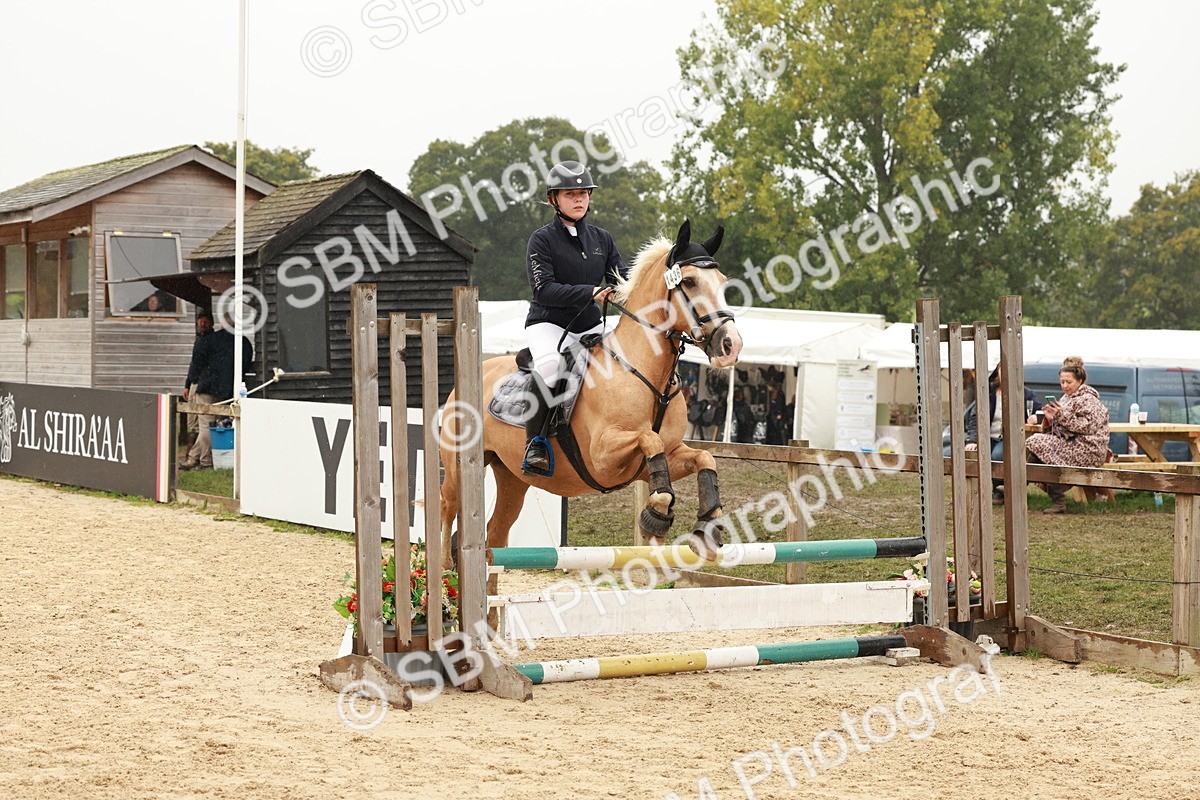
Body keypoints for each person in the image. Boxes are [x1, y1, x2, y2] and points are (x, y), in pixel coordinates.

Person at [521, 160, 628, 475]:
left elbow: (623, 279)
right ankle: (536, 443)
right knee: (553, 367)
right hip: (549, 323)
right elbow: (544, 290)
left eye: (583, 193)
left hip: (590, 325)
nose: (579, 199)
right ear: (554, 198)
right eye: (570, 194)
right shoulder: (541, 240)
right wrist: (590, 292)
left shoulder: (601, 239)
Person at [1025, 356, 1110, 514]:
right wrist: (1048, 418)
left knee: (1037, 443)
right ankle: (1052, 498)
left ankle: (1017, 487)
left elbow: (1087, 427)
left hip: (1088, 448)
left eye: (1068, 382)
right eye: (1062, 382)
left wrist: (1059, 416)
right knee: (1038, 448)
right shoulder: (1066, 398)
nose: (1064, 386)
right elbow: (1064, 424)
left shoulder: (1089, 399)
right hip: (1072, 444)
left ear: (1080, 381)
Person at [950, 363, 1043, 505]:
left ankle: (998, 492)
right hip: (985, 438)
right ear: (997, 373)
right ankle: (970, 493)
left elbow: (1040, 411)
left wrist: (1036, 417)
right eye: (1002, 371)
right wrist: (972, 441)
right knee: (971, 454)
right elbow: (975, 418)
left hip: (1009, 439)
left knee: (997, 456)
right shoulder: (988, 392)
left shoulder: (1025, 393)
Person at [181, 312, 254, 470]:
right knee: (221, 427)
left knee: (206, 426)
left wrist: (190, 382)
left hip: (207, 388)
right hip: (229, 390)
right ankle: (195, 458)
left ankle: (204, 461)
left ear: (221, 322)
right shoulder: (244, 343)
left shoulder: (209, 340)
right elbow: (246, 365)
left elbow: (196, 365)